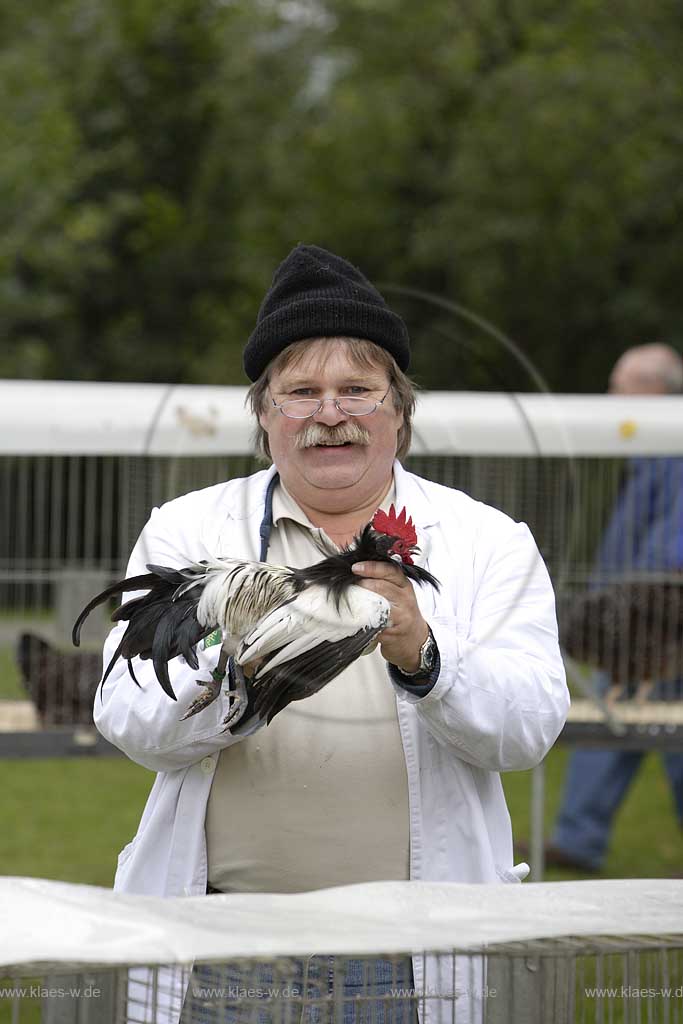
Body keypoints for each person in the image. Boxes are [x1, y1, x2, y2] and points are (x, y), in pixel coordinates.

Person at [94, 244, 569, 1022]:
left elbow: (525, 734)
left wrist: (426, 657)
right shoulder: (186, 529)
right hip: (223, 947)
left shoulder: (489, 541)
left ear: (398, 411)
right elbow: (129, 720)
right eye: (300, 392)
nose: (329, 413)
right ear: (264, 413)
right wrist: (238, 661)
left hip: (411, 960)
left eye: (357, 389)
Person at [544, 343, 683, 873]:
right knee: (618, 724)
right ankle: (578, 839)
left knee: (662, 729)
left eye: (620, 383)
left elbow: (670, 555)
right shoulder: (650, 452)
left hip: (658, 625)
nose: (610, 397)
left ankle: (578, 838)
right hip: (638, 623)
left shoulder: (673, 450)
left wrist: (643, 615)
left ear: (654, 390)